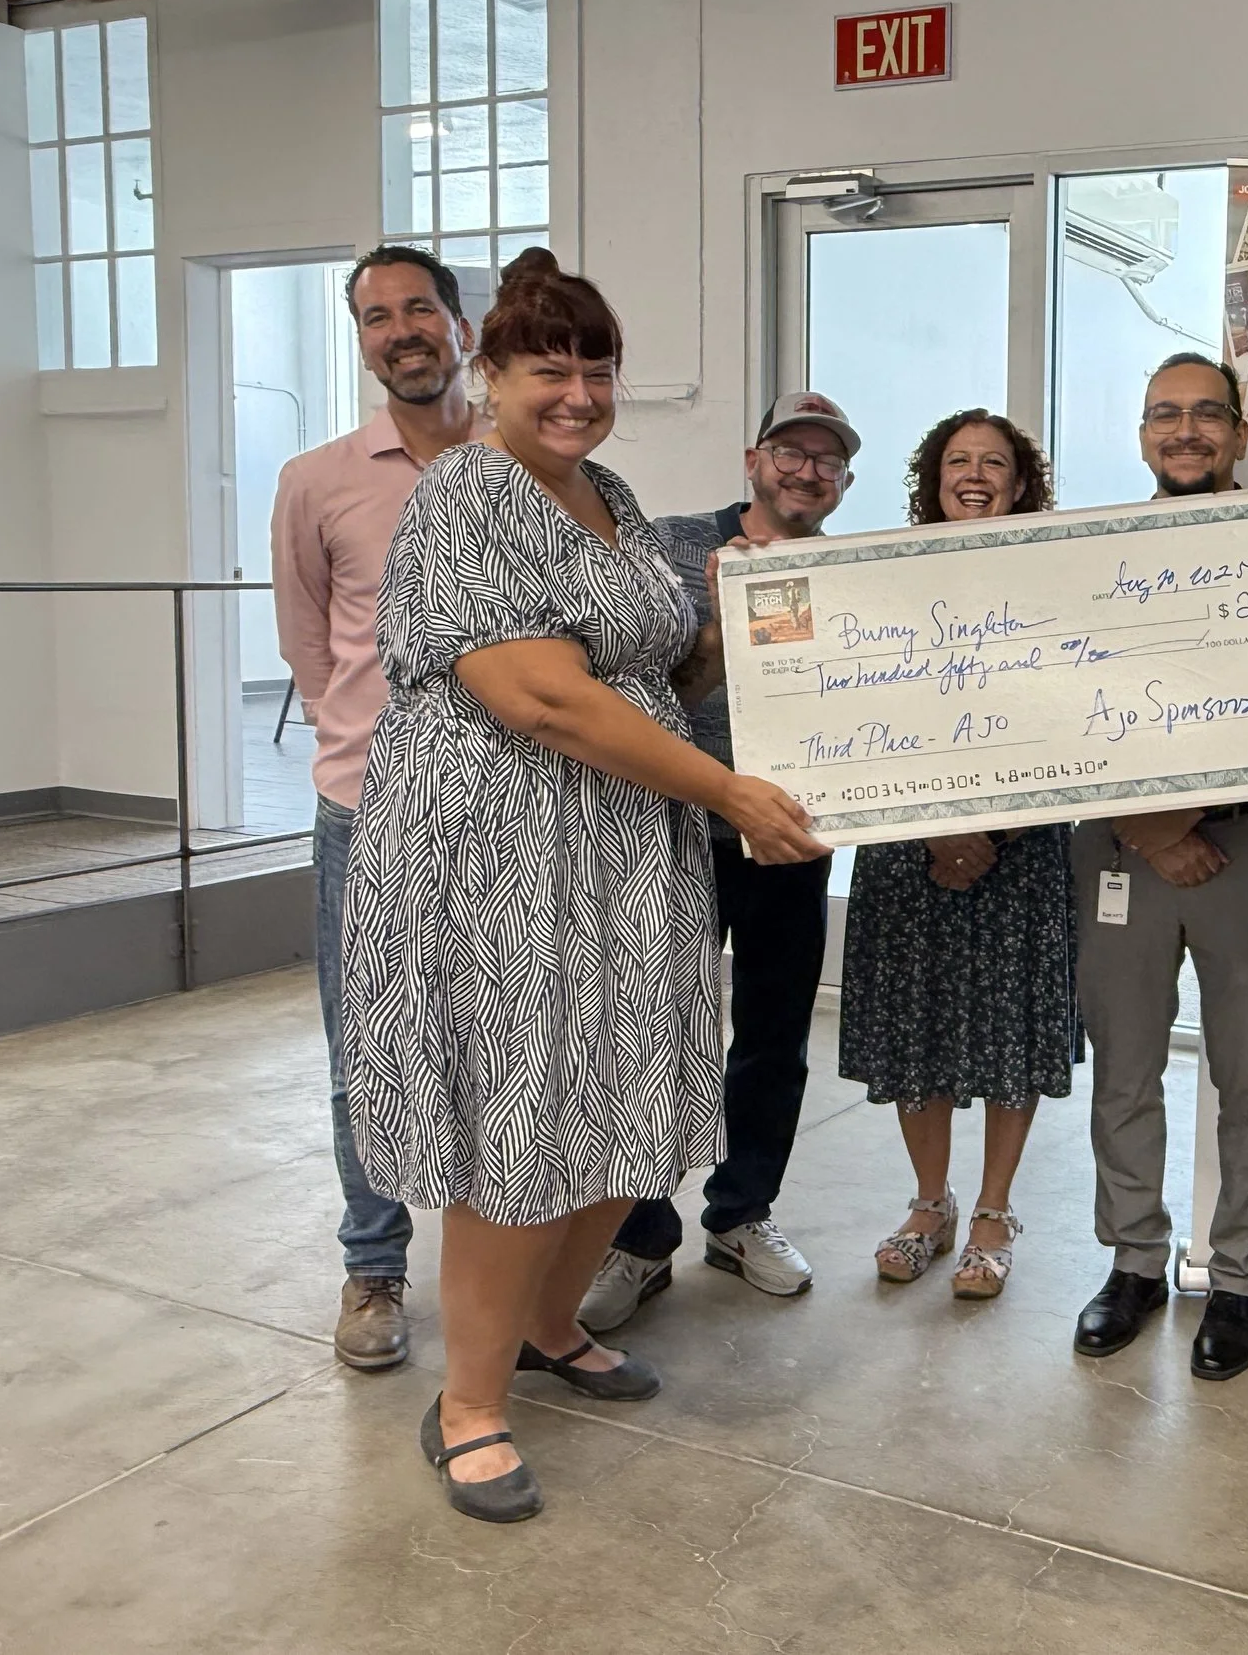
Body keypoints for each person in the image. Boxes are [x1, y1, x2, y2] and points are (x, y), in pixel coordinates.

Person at [339, 250, 823, 1523]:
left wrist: (724, 633)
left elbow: (655, 680)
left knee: (627, 1093)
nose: (575, 394)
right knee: (521, 1116)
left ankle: (553, 1327)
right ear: (489, 377)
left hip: (624, 857)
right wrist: (727, 794)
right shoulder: (470, 495)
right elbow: (540, 694)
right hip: (500, 855)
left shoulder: (604, 491)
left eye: (596, 371)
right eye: (547, 369)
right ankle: (469, 1406)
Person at [577, 391, 860, 1330]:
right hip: (669, 831)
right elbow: (627, 691)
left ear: (844, 481)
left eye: (827, 459)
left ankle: (742, 1213)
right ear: (754, 458)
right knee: (651, 1035)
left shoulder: (858, 572)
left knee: (774, 1036)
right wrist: (717, 625)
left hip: (788, 837)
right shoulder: (668, 546)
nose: (806, 469)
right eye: (792, 451)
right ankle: (640, 1233)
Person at [1068, 353, 1248, 1382]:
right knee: (1123, 1067)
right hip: (1119, 844)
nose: (1186, 430)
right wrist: (1148, 828)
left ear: (1239, 434)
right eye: (1165, 414)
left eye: (1207, 414)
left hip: (1243, 846)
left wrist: (1184, 818)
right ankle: (1132, 1262)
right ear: (1141, 435)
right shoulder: (1093, 554)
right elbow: (1061, 709)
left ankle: (1241, 1276)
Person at [272, 243, 477, 1373]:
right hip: (365, 812)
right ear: (361, 339)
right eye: (375, 316)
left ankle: (501, 1263)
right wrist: (357, 745)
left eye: (417, 309)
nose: (399, 330)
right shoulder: (319, 478)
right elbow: (310, 641)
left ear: (459, 324)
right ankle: (374, 1265)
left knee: (496, 1040)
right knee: (368, 1050)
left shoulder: (517, 459)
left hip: (502, 815)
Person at [839, 410, 1079, 1300]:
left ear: (1022, 484)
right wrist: (937, 827)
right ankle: (929, 1204)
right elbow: (856, 705)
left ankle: (993, 1210)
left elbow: (1073, 710)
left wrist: (993, 832)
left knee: (1009, 1028)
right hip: (907, 839)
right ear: (931, 479)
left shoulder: (1058, 579)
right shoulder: (881, 577)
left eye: (995, 463)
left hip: (1023, 845)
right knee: (918, 1026)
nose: (974, 474)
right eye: (957, 461)